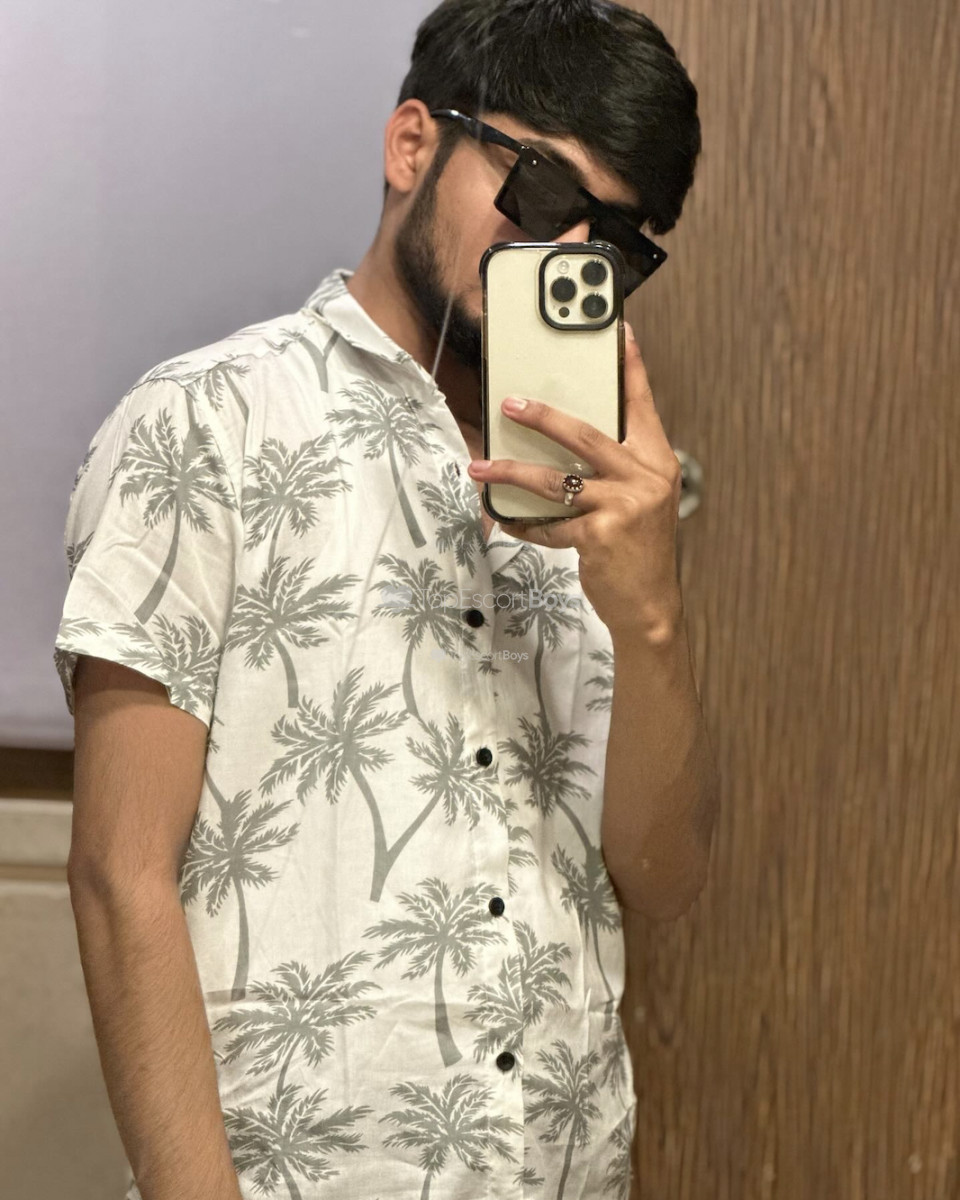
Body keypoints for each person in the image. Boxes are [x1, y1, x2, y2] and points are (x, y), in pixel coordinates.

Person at [54, 2, 719, 1198]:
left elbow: (664, 885)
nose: (567, 250)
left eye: (615, 239)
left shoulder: (610, 495)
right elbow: (118, 874)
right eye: (540, 192)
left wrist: (652, 616)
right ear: (413, 143)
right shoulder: (206, 423)